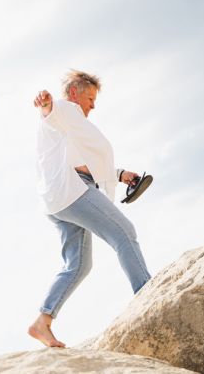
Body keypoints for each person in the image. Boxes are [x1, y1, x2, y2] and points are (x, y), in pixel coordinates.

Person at [27, 69, 152, 348]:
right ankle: (147, 292)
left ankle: (42, 322)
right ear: (74, 93)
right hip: (73, 192)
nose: (93, 106)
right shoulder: (63, 110)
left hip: (57, 200)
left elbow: (82, 162)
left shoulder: (70, 128)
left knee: (78, 265)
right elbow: (49, 112)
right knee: (124, 233)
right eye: (90, 98)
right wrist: (46, 103)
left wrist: (120, 175)